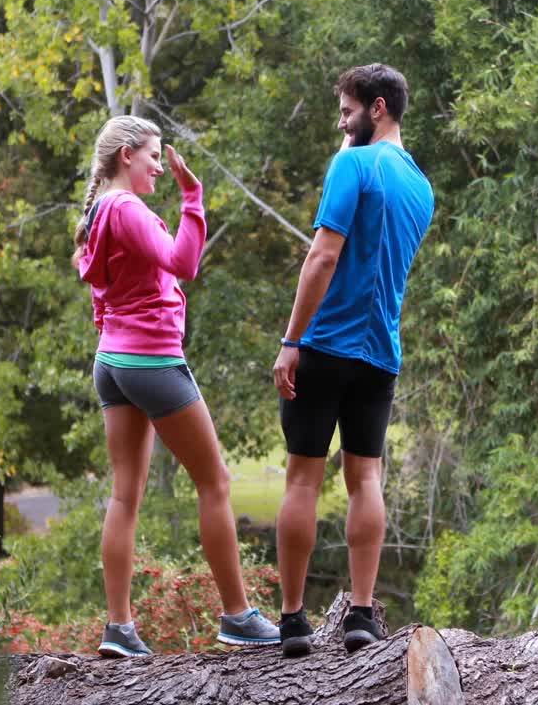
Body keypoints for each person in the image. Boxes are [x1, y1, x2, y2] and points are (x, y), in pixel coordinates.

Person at [74, 115, 280, 657]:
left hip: (111, 362)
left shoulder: (99, 212)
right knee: (215, 482)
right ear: (126, 155)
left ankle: (118, 628)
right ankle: (237, 615)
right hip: (150, 361)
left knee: (124, 495)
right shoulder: (126, 209)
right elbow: (183, 262)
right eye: (154, 157)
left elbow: (103, 297)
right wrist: (194, 197)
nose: (162, 167)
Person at [272, 64, 435, 658]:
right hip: (379, 355)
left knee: (302, 477)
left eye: (346, 112)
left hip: (324, 345)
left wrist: (291, 340)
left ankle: (293, 622)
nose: (340, 124)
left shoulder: (352, 167)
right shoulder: (420, 185)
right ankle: (362, 614)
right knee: (366, 477)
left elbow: (323, 257)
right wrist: (350, 143)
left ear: (378, 108)